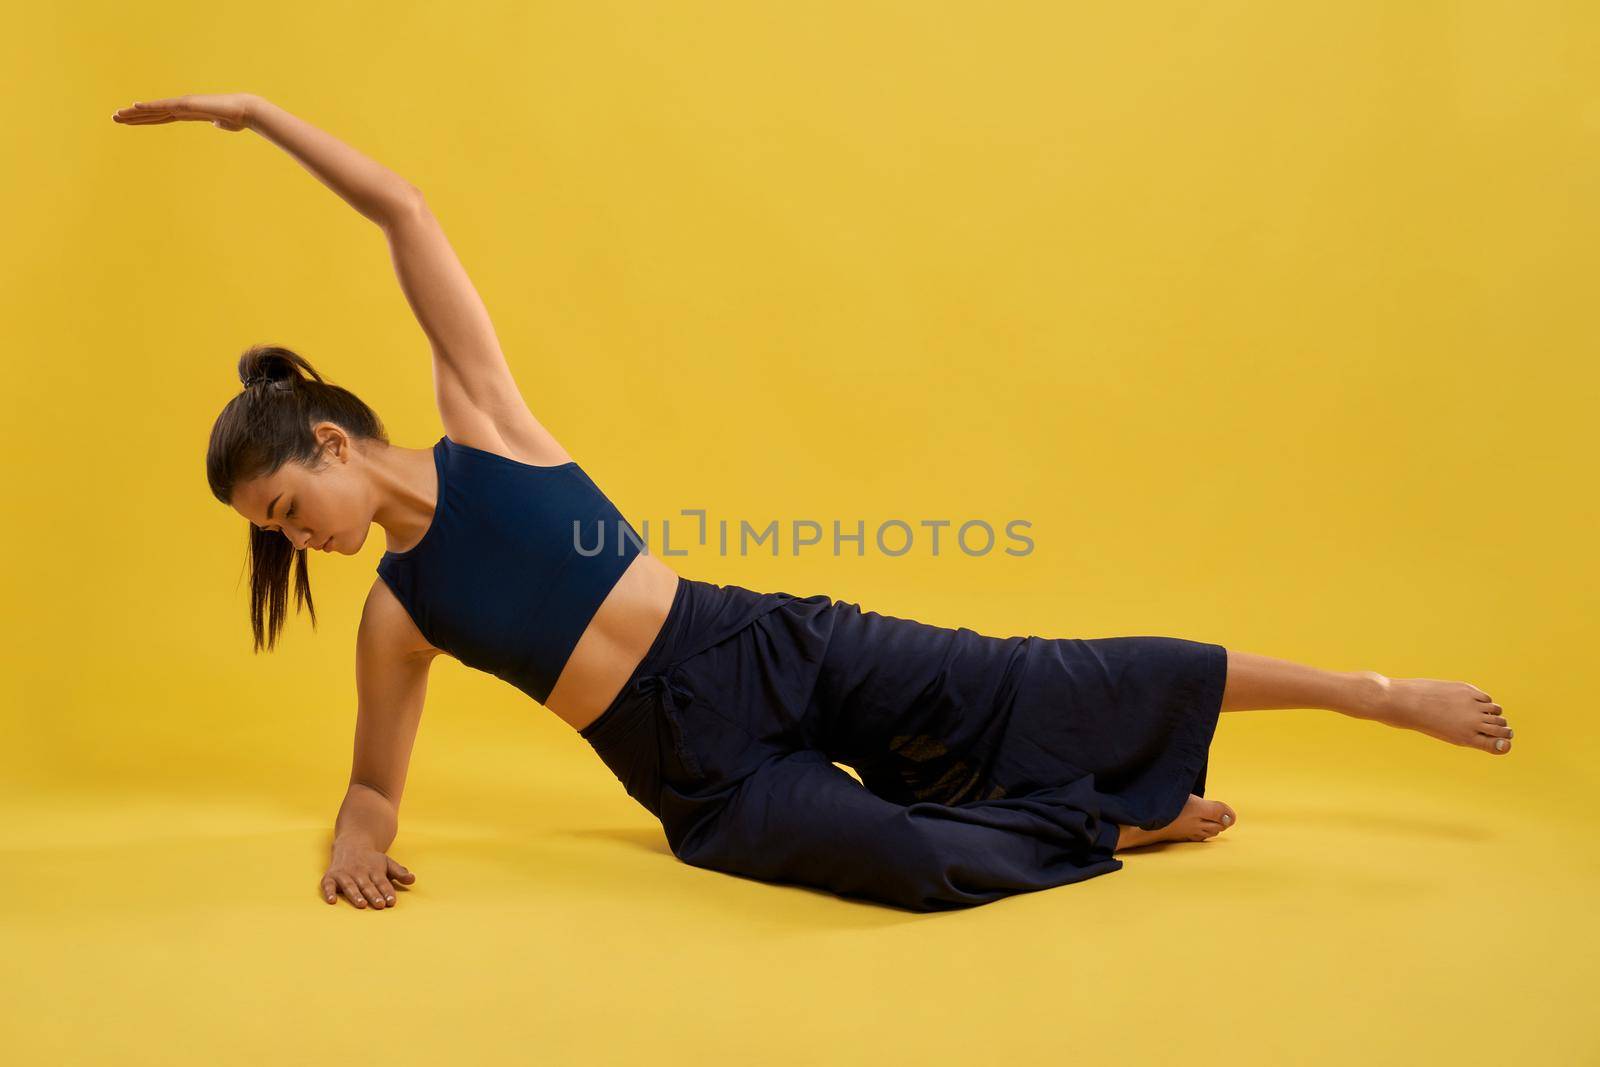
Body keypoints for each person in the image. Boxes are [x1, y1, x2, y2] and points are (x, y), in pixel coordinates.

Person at [114, 93, 1515, 913]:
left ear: (343, 445)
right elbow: (374, 780)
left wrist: (255, 116)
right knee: (902, 861)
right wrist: (359, 834)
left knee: (1036, 678)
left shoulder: (484, 427)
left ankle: (1370, 694)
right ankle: (1106, 820)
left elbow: (407, 215)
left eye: (289, 505)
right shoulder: (396, 617)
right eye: (273, 533)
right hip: (698, 777)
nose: (294, 539)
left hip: (763, 644)